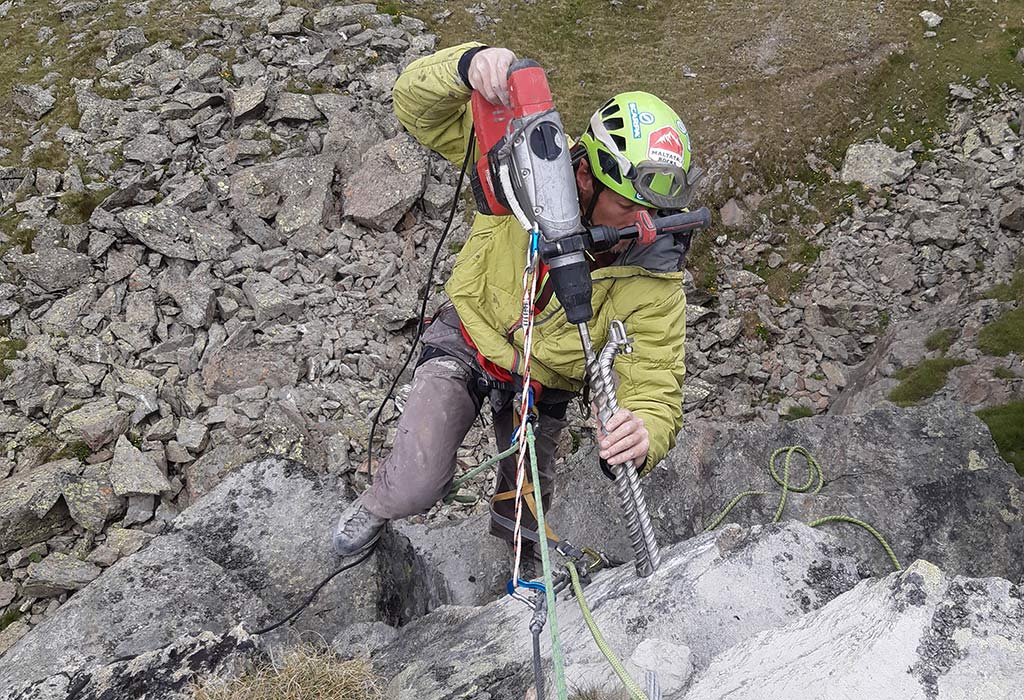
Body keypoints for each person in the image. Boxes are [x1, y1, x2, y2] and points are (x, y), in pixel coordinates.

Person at [332, 43, 699, 565]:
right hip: (471, 335)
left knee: (525, 505)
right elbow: (414, 104)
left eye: (657, 210)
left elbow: (656, 385)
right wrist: (469, 66)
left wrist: (644, 432)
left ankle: (522, 554)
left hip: (545, 378)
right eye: (628, 205)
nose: (643, 224)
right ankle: (376, 505)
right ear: (585, 176)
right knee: (417, 482)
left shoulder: (655, 273)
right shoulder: (527, 158)